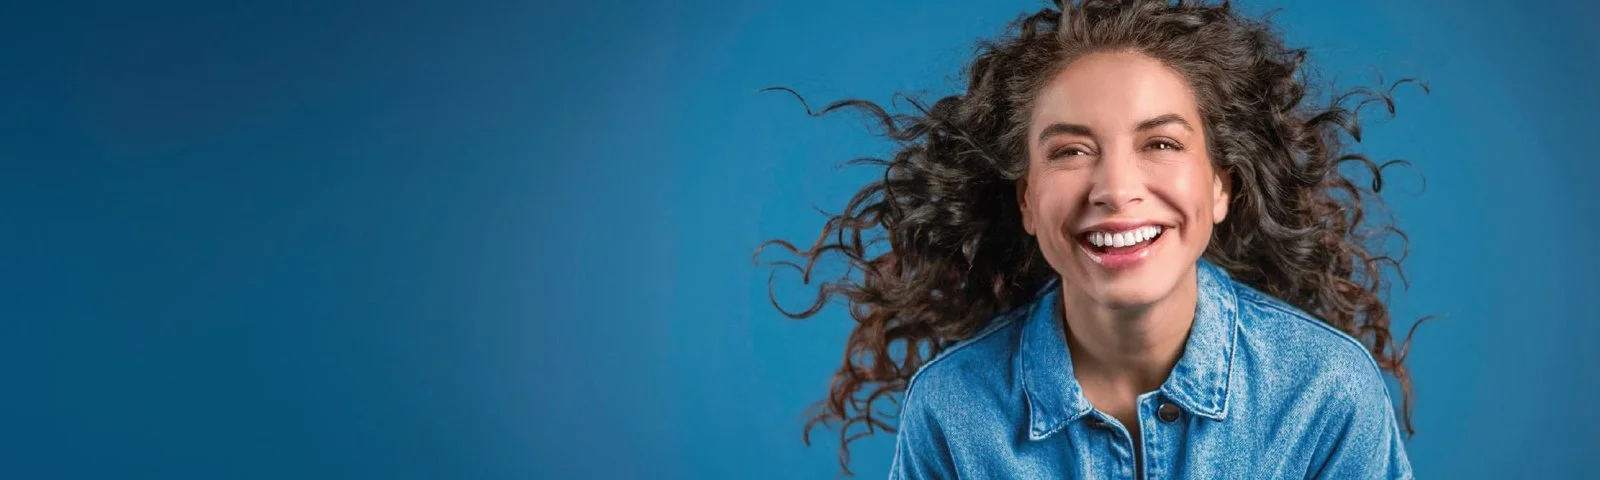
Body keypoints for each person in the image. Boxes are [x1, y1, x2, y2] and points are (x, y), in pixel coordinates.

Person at [757, 0, 1430, 478]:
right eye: (1071, 151)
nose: (1114, 187)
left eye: (1161, 142)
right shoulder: (953, 410)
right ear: (1026, 199)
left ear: (1222, 187)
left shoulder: (1327, 394)